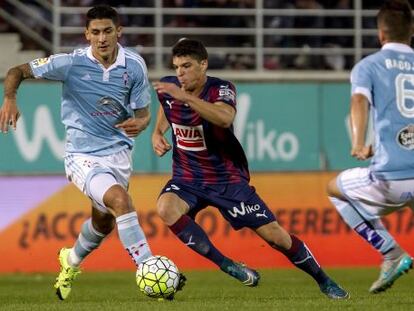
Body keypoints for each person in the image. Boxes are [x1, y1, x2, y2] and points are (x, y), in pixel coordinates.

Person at [0, 4, 183, 301]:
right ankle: (150, 269)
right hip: (82, 157)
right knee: (121, 201)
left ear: (118, 32)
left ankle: (70, 262)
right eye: (95, 32)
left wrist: (142, 123)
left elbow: (144, 113)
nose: (101, 38)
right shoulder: (70, 63)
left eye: (107, 31)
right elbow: (16, 71)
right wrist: (9, 98)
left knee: (104, 222)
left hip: (119, 155)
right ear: (86, 34)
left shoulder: (134, 65)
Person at [151, 38, 349, 299]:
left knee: (277, 238)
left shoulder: (221, 89)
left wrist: (185, 97)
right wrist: (156, 132)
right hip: (187, 177)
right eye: (176, 67)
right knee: (165, 207)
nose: (180, 73)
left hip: (227, 180)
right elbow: (167, 107)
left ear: (203, 64)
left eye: (186, 66)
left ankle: (324, 280)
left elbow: (224, 117)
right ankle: (228, 265)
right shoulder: (170, 88)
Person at [327, 0, 414, 294]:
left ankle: (390, 252)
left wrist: (359, 143)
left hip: (390, 177)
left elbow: (358, 101)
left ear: (380, 34)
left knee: (334, 189)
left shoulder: (369, 66)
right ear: (411, 31)